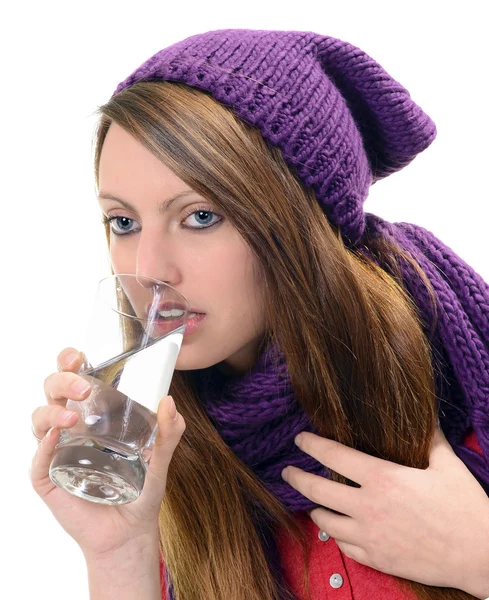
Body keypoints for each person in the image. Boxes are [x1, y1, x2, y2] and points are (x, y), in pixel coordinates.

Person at [30, 29, 489, 600]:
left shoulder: (463, 375)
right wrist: (119, 555)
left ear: (300, 223)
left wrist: (479, 552)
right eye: (123, 222)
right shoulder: (160, 450)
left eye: (199, 216)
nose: (149, 269)